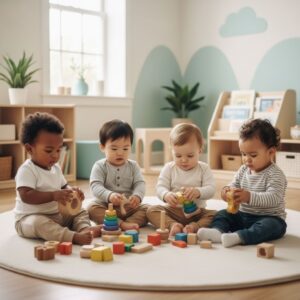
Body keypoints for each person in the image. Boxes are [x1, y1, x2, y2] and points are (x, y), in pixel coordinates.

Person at [14, 112, 101, 245]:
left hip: (57, 215)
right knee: (39, 224)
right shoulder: (27, 170)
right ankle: (72, 237)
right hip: (29, 218)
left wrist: (73, 192)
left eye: (59, 150)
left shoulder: (56, 168)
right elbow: (26, 196)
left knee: (81, 211)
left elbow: (63, 187)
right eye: (49, 151)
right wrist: (53, 195)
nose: (55, 156)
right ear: (29, 149)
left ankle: (84, 228)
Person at [197, 119, 287, 247]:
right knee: (222, 214)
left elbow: (274, 198)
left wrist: (249, 196)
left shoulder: (275, 174)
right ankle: (217, 232)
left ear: (271, 152)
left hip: (268, 217)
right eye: (243, 154)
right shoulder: (244, 169)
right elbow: (234, 184)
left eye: (253, 155)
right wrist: (227, 191)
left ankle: (239, 237)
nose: (246, 159)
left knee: (271, 226)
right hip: (242, 215)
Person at [146, 123, 216, 236]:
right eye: (178, 156)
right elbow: (160, 187)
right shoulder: (169, 168)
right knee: (151, 210)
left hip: (197, 212)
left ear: (200, 150)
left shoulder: (204, 169)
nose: (184, 160)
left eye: (190, 156)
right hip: (174, 211)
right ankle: (173, 225)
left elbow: (211, 189)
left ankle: (194, 227)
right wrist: (166, 195)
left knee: (217, 215)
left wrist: (198, 192)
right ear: (171, 151)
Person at [87, 119, 148, 230]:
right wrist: (109, 195)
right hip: (107, 207)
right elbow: (95, 187)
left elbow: (140, 183)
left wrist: (137, 196)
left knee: (149, 209)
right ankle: (122, 224)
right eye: (114, 148)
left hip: (129, 208)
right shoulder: (99, 166)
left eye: (125, 148)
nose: (120, 153)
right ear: (102, 147)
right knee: (91, 208)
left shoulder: (133, 166)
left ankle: (128, 223)